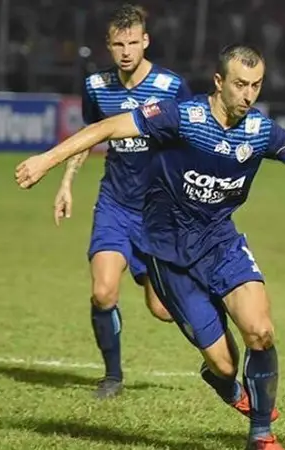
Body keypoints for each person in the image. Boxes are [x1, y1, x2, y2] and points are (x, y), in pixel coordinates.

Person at [15, 44, 285, 450]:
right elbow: (105, 128)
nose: (248, 95)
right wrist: (45, 161)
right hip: (167, 253)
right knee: (225, 366)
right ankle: (221, 380)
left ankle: (261, 433)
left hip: (221, 243)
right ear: (219, 82)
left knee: (260, 332)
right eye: (240, 85)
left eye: (256, 86)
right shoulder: (182, 117)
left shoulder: (260, 130)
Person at [52, 4, 192, 399]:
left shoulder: (171, 87)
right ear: (108, 46)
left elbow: (190, 139)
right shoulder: (97, 86)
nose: (127, 50)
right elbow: (91, 134)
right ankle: (112, 376)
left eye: (134, 42)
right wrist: (66, 183)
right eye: (119, 44)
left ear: (146, 41)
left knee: (163, 310)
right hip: (114, 204)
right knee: (103, 292)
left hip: (159, 212)